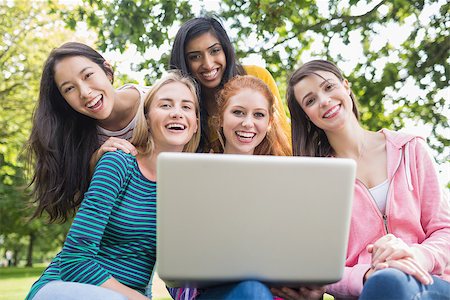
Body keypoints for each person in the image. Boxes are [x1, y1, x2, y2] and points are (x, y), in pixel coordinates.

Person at [25, 71, 201, 300]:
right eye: (165, 105)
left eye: (186, 107)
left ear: (196, 124)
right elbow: (75, 261)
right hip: (64, 286)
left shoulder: (188, 189)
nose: (177, 113)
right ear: (147, 118)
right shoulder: (119, 162)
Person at [286, 59, 450, 299]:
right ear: (307, 116)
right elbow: (321, 264)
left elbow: (445, 230)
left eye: (329, 87)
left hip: (430, 282)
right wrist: (365, 276)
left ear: (346, 86)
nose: (324, 101)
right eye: (310, 101)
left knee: (393, 281)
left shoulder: (410, 149)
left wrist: (416, 256)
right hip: (367, 291)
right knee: (386, 282)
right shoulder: (317, 181)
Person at [167, 76, 325, 300]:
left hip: (277, 293)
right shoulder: (196, 175)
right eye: (238, 112)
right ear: (220, 118)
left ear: (269, 123)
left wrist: (311, 291)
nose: (248, 123)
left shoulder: (286, 181)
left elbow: (299, 253)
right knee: (252, 291)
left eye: (258, 115)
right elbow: (177, 270)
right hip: (213, 293)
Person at [28, 42, 149, 223]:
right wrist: (96, 160)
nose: (84, 92)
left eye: (88, 75)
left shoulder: (157, 103)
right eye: (69, 88)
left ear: (107, 71)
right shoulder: (77, 138)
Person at [169, 16, 291, 154]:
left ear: (225, 50)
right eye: (195, 57)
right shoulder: (182, 105)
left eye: (214, 51)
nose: (208, 64)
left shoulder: (256, 75)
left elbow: (282, 138)